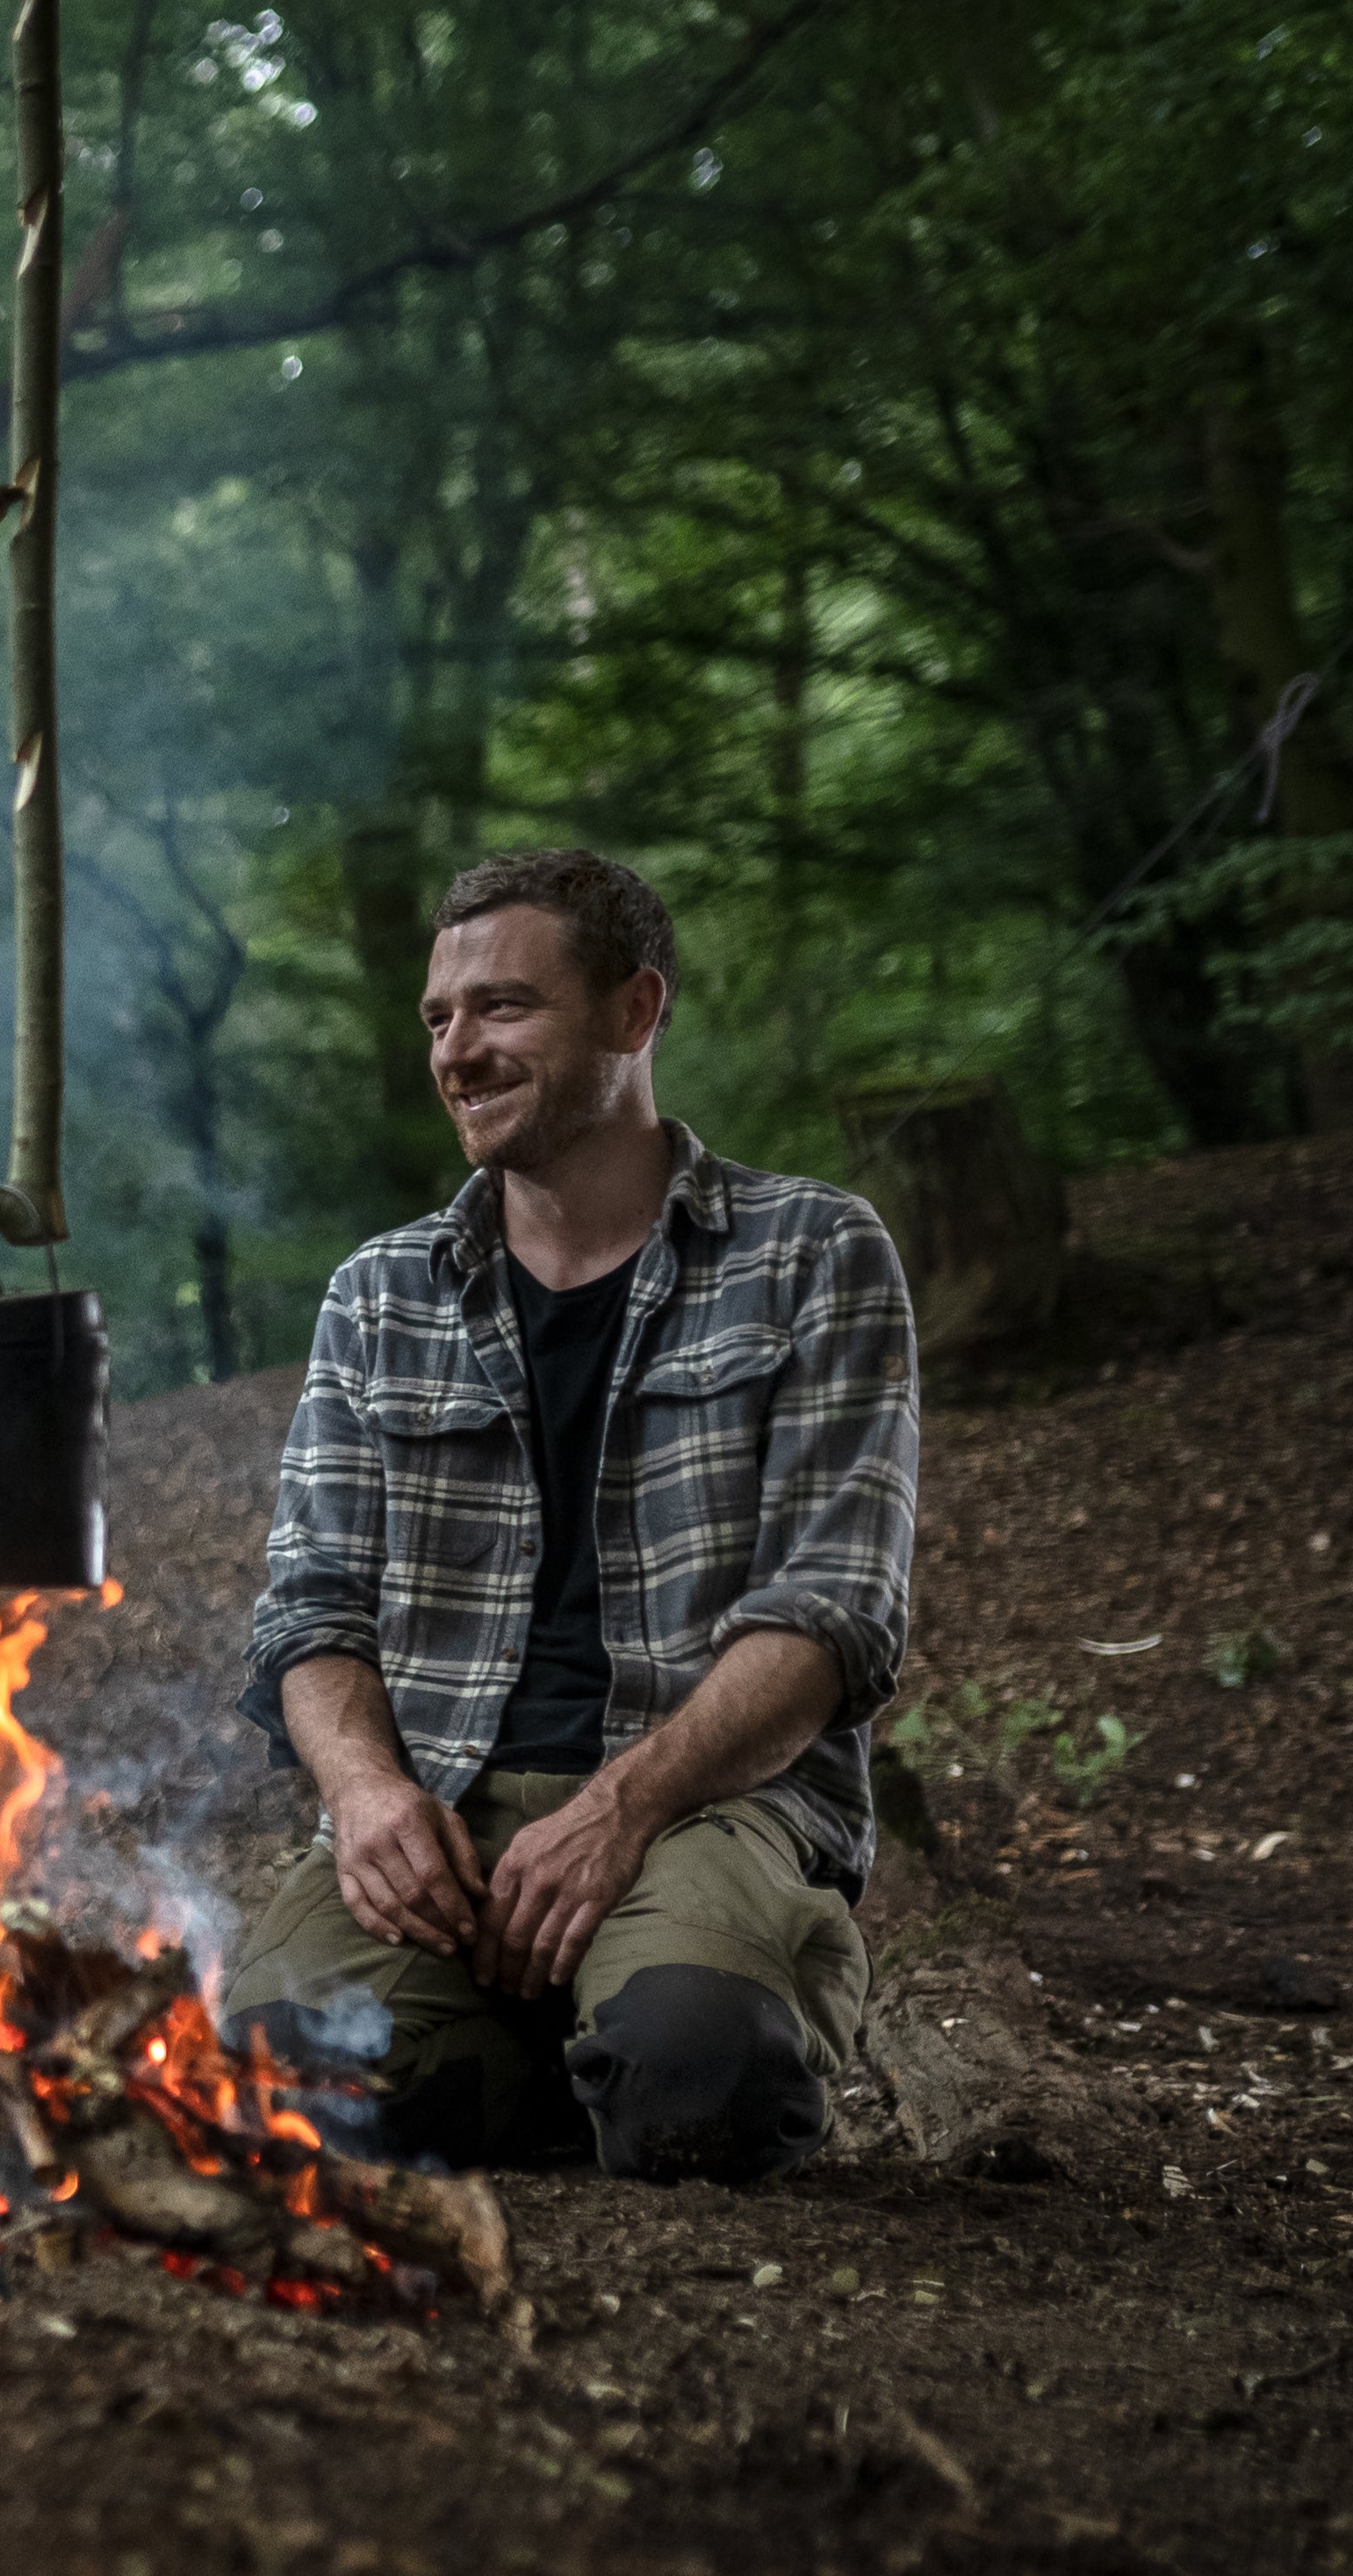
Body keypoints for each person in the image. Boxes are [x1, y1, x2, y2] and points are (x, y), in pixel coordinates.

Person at [225, 848, 918, 2183]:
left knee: (700, 2081)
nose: (458, 1049)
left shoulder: (816, 1252)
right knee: (278, 2093)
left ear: (634, 1011)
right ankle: (533, 2052)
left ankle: (640, 2016)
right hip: (440, 1807)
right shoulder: (382, 1294)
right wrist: (369, 1794)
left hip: (712, 1799)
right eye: (438, 1017)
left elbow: (835, 1616)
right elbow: (310, 1610)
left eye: (503, 1007)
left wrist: (620, 1808)